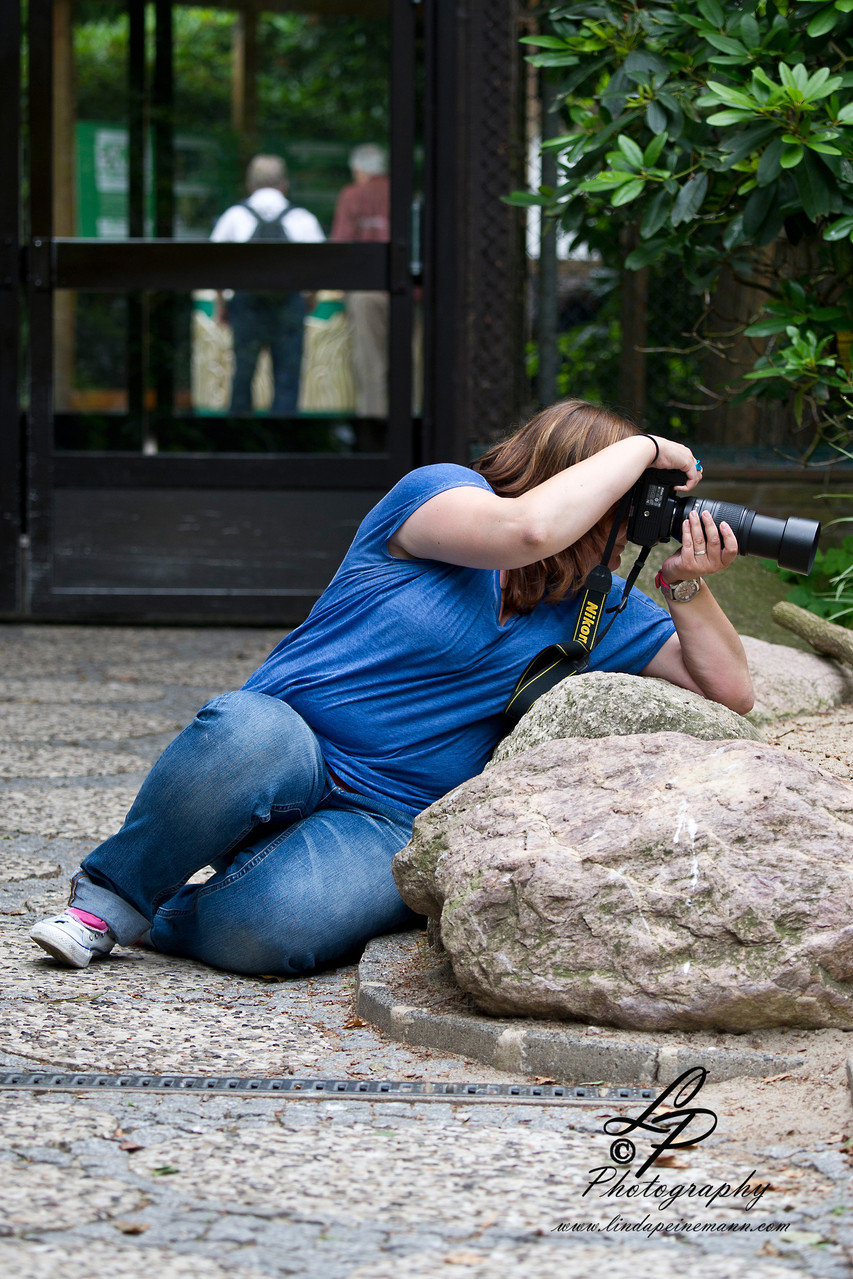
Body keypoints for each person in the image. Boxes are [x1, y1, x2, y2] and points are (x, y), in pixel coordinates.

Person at [30, 400, 753, 975]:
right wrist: (647, 450)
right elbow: (527, 529)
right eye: (623, 507)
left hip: (384, 816)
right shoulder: (442, 496)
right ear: (571, 475)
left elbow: (728, 689)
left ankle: (174, 916)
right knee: (246, 733)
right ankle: (109, 902)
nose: (627, 529)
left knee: (275, 930)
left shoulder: (597, 604)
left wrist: (684, 581)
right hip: (288, 745)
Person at [210, 154, 325, 415]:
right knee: (287, 379)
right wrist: (310, 298)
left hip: (246, 308)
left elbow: (214, 264)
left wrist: (221, 304)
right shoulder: (302, 218)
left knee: (243, 375)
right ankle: (283, 443)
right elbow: (320, 266)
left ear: (250, 185)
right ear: (284, 184)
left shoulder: (234, 216)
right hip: (288, 308)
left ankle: (240, 439)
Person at [331, 143, 391, 417]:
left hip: (367, 292)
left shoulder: (352, 195)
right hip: (405, 292)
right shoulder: (399, 193)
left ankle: (376, 428)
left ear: (358, 170)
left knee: (371, 365)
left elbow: (342, 246)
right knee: (409, 362)